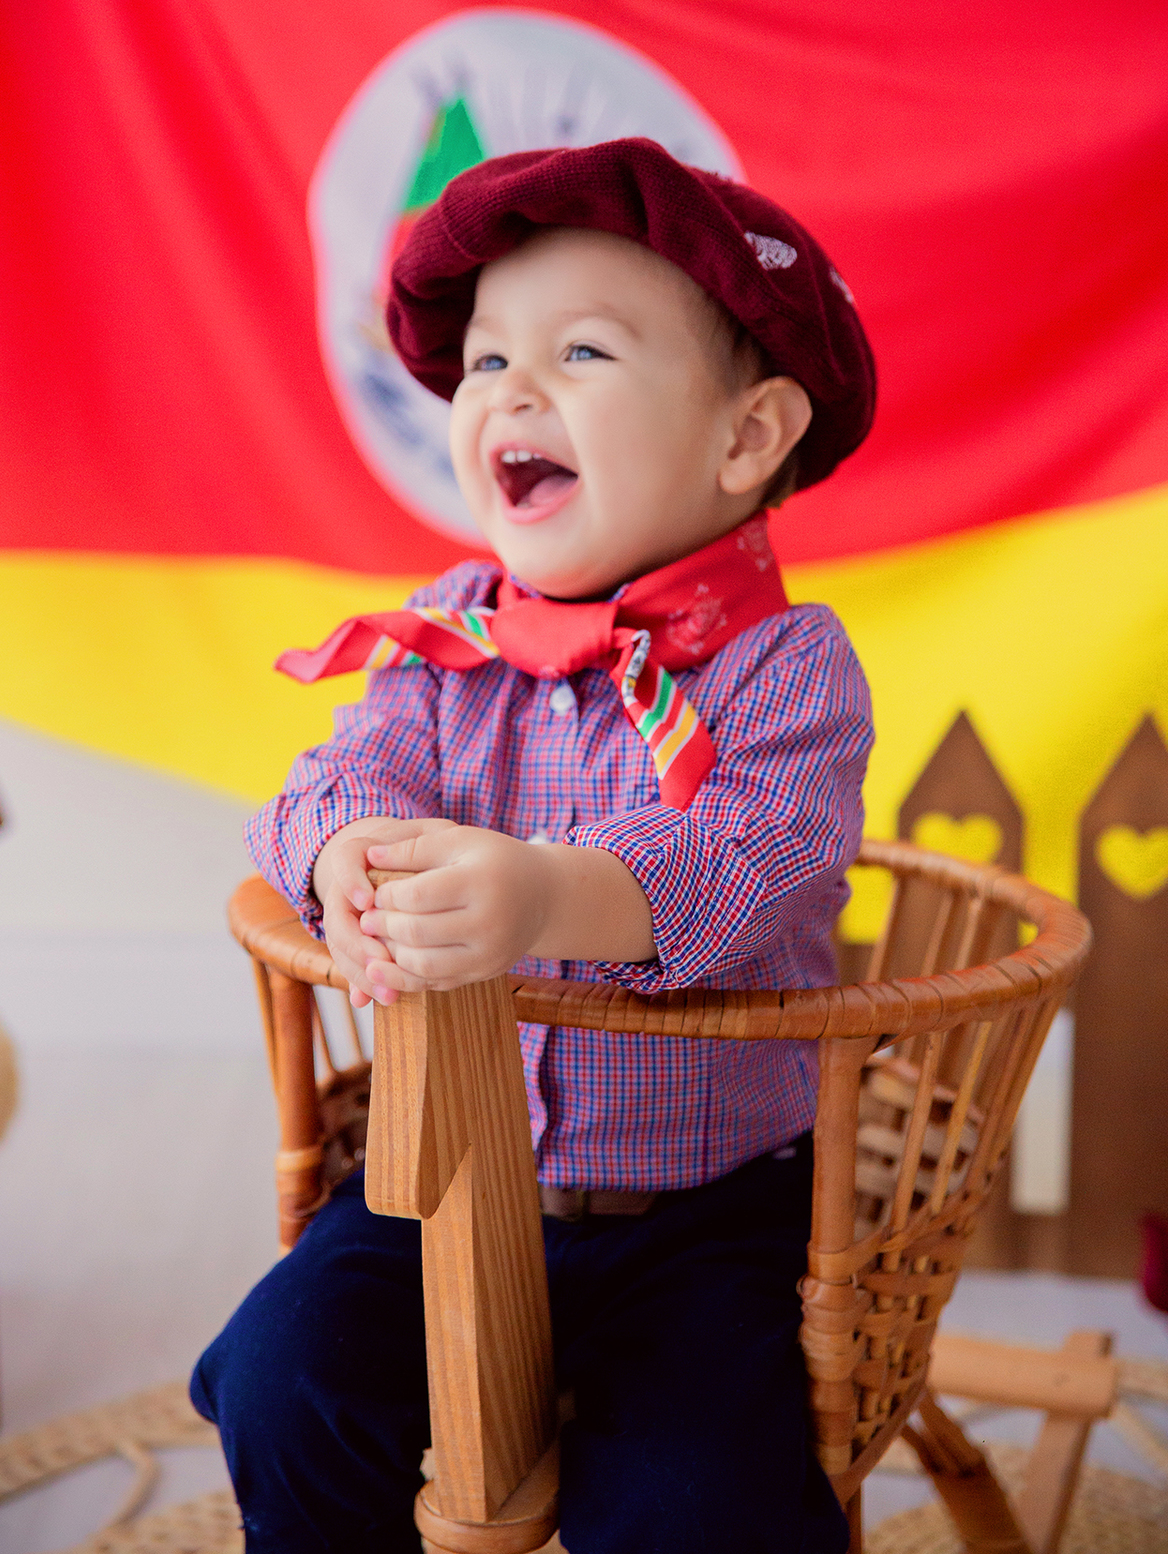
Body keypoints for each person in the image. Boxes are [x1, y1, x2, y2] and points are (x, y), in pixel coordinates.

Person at [192, 137, 876, 1552]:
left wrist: (555, 893)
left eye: (580, 352)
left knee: (694, 1503)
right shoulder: (456, 638)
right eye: (488, 359)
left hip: (702, 1211)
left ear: (746, 438)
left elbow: (761, 855)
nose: (510, 389)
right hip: (446, 1176)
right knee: (281, 1381)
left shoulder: (785, 665)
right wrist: (343, 850)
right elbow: (344, 768)